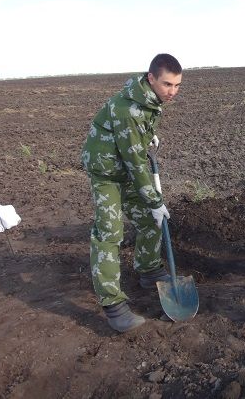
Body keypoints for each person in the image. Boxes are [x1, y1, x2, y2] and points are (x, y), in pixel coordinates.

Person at [80, 53, 182, 332]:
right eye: (167, 84)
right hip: (107, 173)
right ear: (151, 78)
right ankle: (113, 306)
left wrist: (147, 135)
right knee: (109, 233)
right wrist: (155, 200)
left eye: (176, 86)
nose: (172, 92)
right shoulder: (129, 110)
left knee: (151, 221)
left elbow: (135, 145)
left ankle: (149, 271)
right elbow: (136, 164)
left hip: (123, 166)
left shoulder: (146, 98)